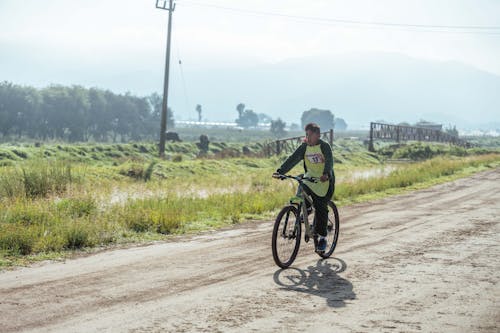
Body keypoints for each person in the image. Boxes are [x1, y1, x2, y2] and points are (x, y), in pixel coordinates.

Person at [273, 123, 335, 252]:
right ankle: (306, 208)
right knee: (301, 187)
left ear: (318, 135)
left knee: (321, 207)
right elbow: (293, 159)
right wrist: (281, 171)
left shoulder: (324, 146)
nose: (307, 137)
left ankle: (322, 238)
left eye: (310, 135)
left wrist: (326, 174)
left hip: (324, 180)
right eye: (306, 134)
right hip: (310, 177)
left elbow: (329, 161)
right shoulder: (304, 147)